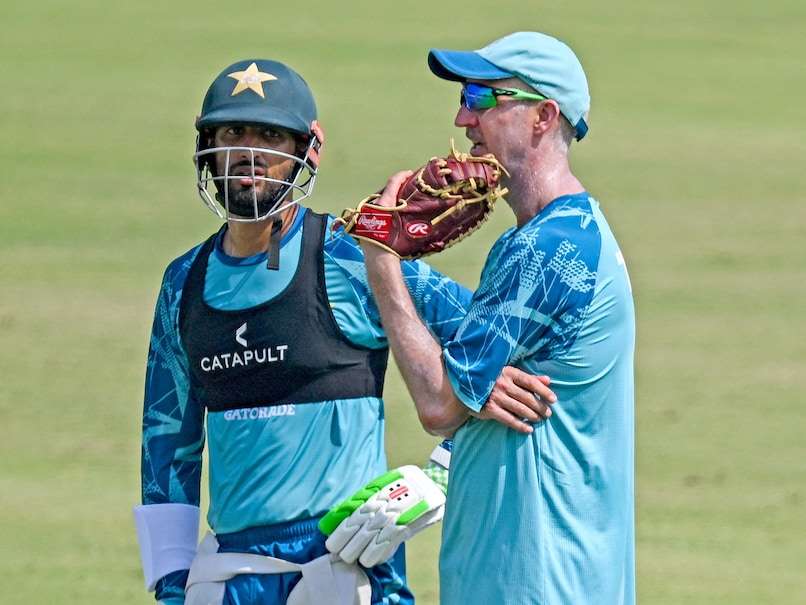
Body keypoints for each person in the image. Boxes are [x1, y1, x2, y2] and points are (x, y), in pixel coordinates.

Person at [134, 58, 557, 605]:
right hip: (231, 579)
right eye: (232, 132)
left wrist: (441, 475)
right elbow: (166, 443)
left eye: (270, 136)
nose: (250, 152)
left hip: (349, 567)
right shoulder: (183, 283)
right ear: (206, 144)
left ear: (306, 151)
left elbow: (502, 350)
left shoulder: (350, 255)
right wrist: (171, 587)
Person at [356, 32, 635, 604]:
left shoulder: (548, 248)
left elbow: (438, 405)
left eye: (483, 97)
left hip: (537, 582)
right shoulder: (560, 237)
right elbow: (479, 351)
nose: (463, 118)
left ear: (543, 117)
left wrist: (382, 259)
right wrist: (473, 382)